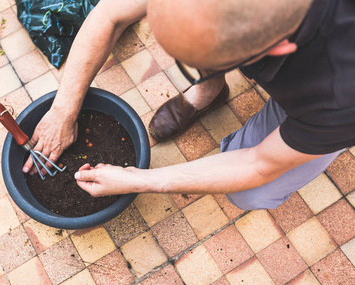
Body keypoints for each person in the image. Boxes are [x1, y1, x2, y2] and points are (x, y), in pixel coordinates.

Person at [25, 0, 355, 210]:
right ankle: (208, 92)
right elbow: (110, 15)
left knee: (251, 194)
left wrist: (140, 180)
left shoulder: (340, 98)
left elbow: (258, 164)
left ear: (280, 47)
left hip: (328, 101)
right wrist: (63, 109)